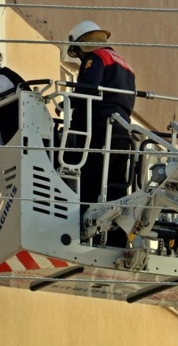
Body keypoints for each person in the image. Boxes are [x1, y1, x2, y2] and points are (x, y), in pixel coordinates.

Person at [64, 20, 136, 246]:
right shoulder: (125, 65)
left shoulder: (96, 58)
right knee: (115, 185)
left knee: (91, 179)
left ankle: (83, 231)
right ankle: (116, 239)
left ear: (83, 43)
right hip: (124, 130)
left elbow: (87, 89)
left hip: (100, 126)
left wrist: (66, 103)